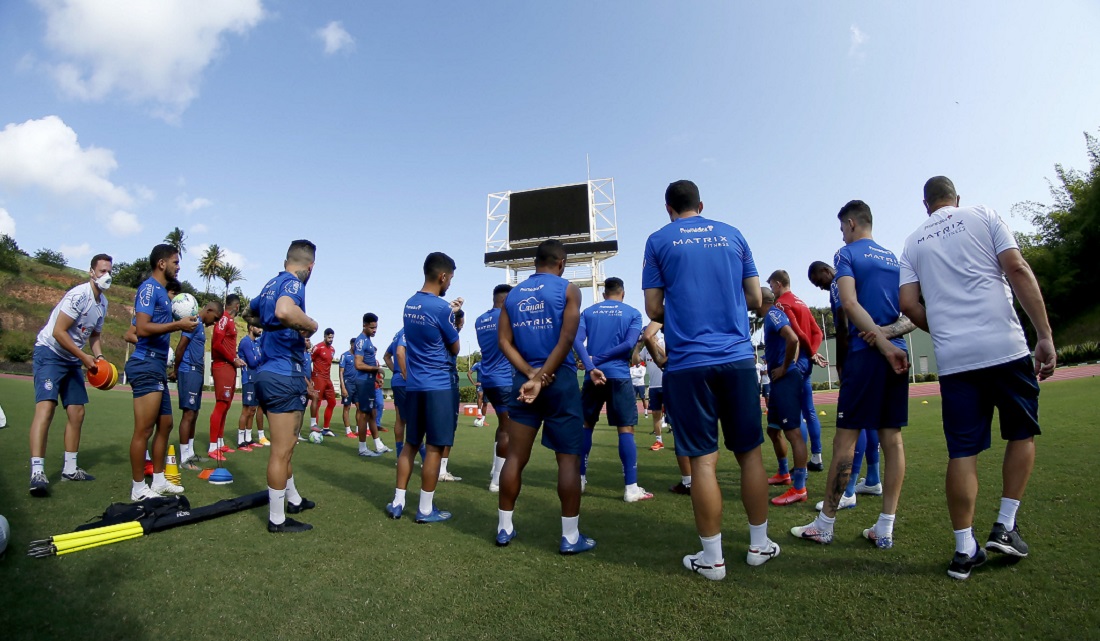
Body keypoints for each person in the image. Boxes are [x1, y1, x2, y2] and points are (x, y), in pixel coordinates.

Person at [899, 176, 1056, 580]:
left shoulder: (914, 241)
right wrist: (1044, 335)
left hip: (956, 360)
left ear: (926, 204)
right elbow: (1017, 267)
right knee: (1021, 433)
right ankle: (1005, 524)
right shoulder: (983, 214)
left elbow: (907, 304)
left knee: (962, 452)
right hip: (1004, 347)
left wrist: (945, 330)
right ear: (955, 198)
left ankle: (963, 549)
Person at [643, 180, 779, 579]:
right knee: (749, 454)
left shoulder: (658, 240)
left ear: (668, 207)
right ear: (701, 205)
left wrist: (687, 310)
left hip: (686, 363)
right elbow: (756, 299)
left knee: (702, 461)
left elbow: (653, 306)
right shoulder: (733, 234)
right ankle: (758, 545)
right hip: (736, 358)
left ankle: (712, 558)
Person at [792, 200, 910, 550]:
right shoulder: (895, 258)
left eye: (843, 227)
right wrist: (891, 341)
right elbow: (912, 310)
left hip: (867, 355)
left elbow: (850, 304)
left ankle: (825, 524)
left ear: (852, 223)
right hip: (898, 352)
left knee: (845, 440)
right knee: (893, 439)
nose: (842, 234)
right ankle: (885, 527)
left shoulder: (846, 255)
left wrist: (880, 345)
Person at [495, 240, 601, 553]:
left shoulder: (513, 294)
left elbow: (504, 341)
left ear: (534, 262)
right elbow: (568, 337)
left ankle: (504, 528)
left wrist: (530, 374)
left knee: (514, 457)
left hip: (523, 383)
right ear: (561, 263)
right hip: (560, 382)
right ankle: (570, 538)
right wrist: (542, 377)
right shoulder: (569, 289)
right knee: (568, 460)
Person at [245, 239, 319, 533]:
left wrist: (273, 327)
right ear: (310, 266)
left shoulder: (268, 285)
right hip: (282, 374)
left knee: (286, 448)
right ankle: (277, 519)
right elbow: (285, 311)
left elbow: (250, 315)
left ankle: (293, 499)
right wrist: (310, 325)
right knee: (281, 450)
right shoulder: (293, 284)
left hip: (268, 373)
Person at [386, 252, 463, 522]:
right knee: (434, 448)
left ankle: (397, 502)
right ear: (442, 276)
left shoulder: (410, 304)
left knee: (410, 444)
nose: (450, 284)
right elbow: (455, 346)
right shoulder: (441, 308)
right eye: (450, 278)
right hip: (438, 385)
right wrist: (451, 317)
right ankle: (425, 509)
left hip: (415, 385)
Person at [28, 253, 113, 496]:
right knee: (46, 408)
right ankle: (37, 471)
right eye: (102, 271)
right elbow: (58, 332)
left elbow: (94, 335)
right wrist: (84, 357)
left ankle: (70, 468)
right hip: (51, 353)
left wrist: (99, 357)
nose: (106, 276)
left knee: (77, 411)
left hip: (73, 358)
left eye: (109, 271)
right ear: (91, 272)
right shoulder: (79, 295)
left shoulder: (103, 303)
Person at [126, 244, 196, 500]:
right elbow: (141, 329)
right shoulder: (148, 288)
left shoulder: (161, 294)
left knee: (165, 424)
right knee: (143, 430)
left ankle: (157, 480)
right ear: (162, 263)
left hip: (157, 366)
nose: (179, 266)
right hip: (145, 364)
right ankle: (138, 489)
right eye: (176, 262)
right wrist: (178, 325)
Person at [577, 277, 651, 502]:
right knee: (625, 429)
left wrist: (591, 363)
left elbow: (577, 341)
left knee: (585, 425)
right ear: (623, 293)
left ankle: (578, 480)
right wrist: (597, 359)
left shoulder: (589, 312)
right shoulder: (633, 313)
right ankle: (631, 488)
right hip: (618, 376)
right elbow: (629, 345)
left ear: (603, 293)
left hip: (594, 375)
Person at [765, 269, 826, 472]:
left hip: (795, 362)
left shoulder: (782, 304)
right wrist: (814, 352)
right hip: (806, 360)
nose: (772, 290)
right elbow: (817, 331)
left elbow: (796, 334)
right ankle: (816, 456)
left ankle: (801, 468)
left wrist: (808, 352)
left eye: (772, 285)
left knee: (796, 415)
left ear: (778, 284)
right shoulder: (801, 302)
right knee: (809, 409)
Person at [756, 287, 810, 506]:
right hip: (779, 380)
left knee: (793, 433)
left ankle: (799, 487)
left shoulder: (773, 314)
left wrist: (785, 367)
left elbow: (793, 339)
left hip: (785, 378)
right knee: (773, 430)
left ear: (761, 300)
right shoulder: (770, 317)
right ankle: (783, 473)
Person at [640, 323, 693, 491]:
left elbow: (664, 354)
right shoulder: (644, 348)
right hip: (660, 385)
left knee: (678, 421)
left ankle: (688, 480)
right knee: (658, 415)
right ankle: (659, 441)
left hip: (672, 380)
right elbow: (635, 359)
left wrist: (656, 349)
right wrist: (638, 346)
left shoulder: (664, 340)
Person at [172, 299, 223, 471]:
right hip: (188, 370)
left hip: (197, 372)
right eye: (215, 318)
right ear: (208, 310)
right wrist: (175, 369)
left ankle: (190, 452)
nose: (214, 323)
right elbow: (181, 347)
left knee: (194, 412)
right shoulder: (193, 323)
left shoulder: (200, 325)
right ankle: (184, 458)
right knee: (188, 413)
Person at [473, 284, 516, 492]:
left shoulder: (480, 320)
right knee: (508, 429)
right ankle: (497, 480)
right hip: (505, 380)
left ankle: (495, 469)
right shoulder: (507, 318)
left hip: (488, 380)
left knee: (502, 426)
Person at [209, 294, 247, 456]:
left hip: (230, 366)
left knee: (226, 405)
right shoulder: (224, 319)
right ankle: (212, 447)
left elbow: (227, 345)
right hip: (223, 366)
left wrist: (235, 358)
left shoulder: (230, 321)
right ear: (236, 306)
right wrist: (232, 358)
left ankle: (219, 441)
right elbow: (216, 344)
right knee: (221, 405)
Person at [353, 313, 390, 456]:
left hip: (369, 382)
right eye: (372, 328)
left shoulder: (368, 340)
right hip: (362, 382)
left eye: (376, 328)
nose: (375, 330)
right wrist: (377, 369)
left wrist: (375, 378)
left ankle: (378, 444)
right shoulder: (361, 341)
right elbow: (358, 364)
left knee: (373, 414)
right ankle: (362, 448)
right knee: (364, 415)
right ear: (364, 325)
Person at [237, 322, 268, 450]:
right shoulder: (245, 342)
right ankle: (240, 440)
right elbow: (253, 361)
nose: (260, 329)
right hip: (248, 379)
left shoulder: (256, 343)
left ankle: (248, 439)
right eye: (257, 326)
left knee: (253, 410)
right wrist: (262, 357)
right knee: (246, 409)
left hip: (256, 379)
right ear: (250, 328)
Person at [309, 329, 338, 437]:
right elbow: (308, 361)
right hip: (318, 377)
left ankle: (326, 429)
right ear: (325, 336)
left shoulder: (332, 349)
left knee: (332, 402)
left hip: (327, 378)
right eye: (329, 337)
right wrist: (311, 377)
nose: (331, 340)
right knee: (317, 402)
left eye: (332, 338)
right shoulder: (317, 347)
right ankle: (314, 428)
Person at [338, 338, 356, 436]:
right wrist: (343, 387)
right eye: (354, 345)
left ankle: (358, 429)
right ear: (351, 344)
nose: (355, 347)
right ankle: (348, 431)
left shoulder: (359, 356)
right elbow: (341, 372)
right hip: (348, 384)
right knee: (347, 407)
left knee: (360, 406)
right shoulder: (345, 356)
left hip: (357, 384)